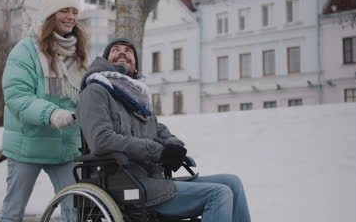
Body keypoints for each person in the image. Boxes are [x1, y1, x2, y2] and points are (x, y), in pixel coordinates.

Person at [77, 38, 251, 222]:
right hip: (128, 184)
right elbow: (101, 140)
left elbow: (160, 132)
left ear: (136, 67)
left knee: (232, 182)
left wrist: (173, 148)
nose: (122, 52)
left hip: (155, 180)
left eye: (128, 51)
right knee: (218, 194)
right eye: (115, 50)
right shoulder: (95, 91)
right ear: (105, 60)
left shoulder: (138, 99)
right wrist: (158, 152)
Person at [0, 0, 87, 222]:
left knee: (75, 212)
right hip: (28, 144)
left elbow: (86, 93)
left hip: (65, 146)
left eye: (74, 11)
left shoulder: (78, 52)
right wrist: (52, 113)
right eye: (64, 11)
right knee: (13, 211)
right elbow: (17, 97)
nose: (71, 17)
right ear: (50, 14)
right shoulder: (25, 51)